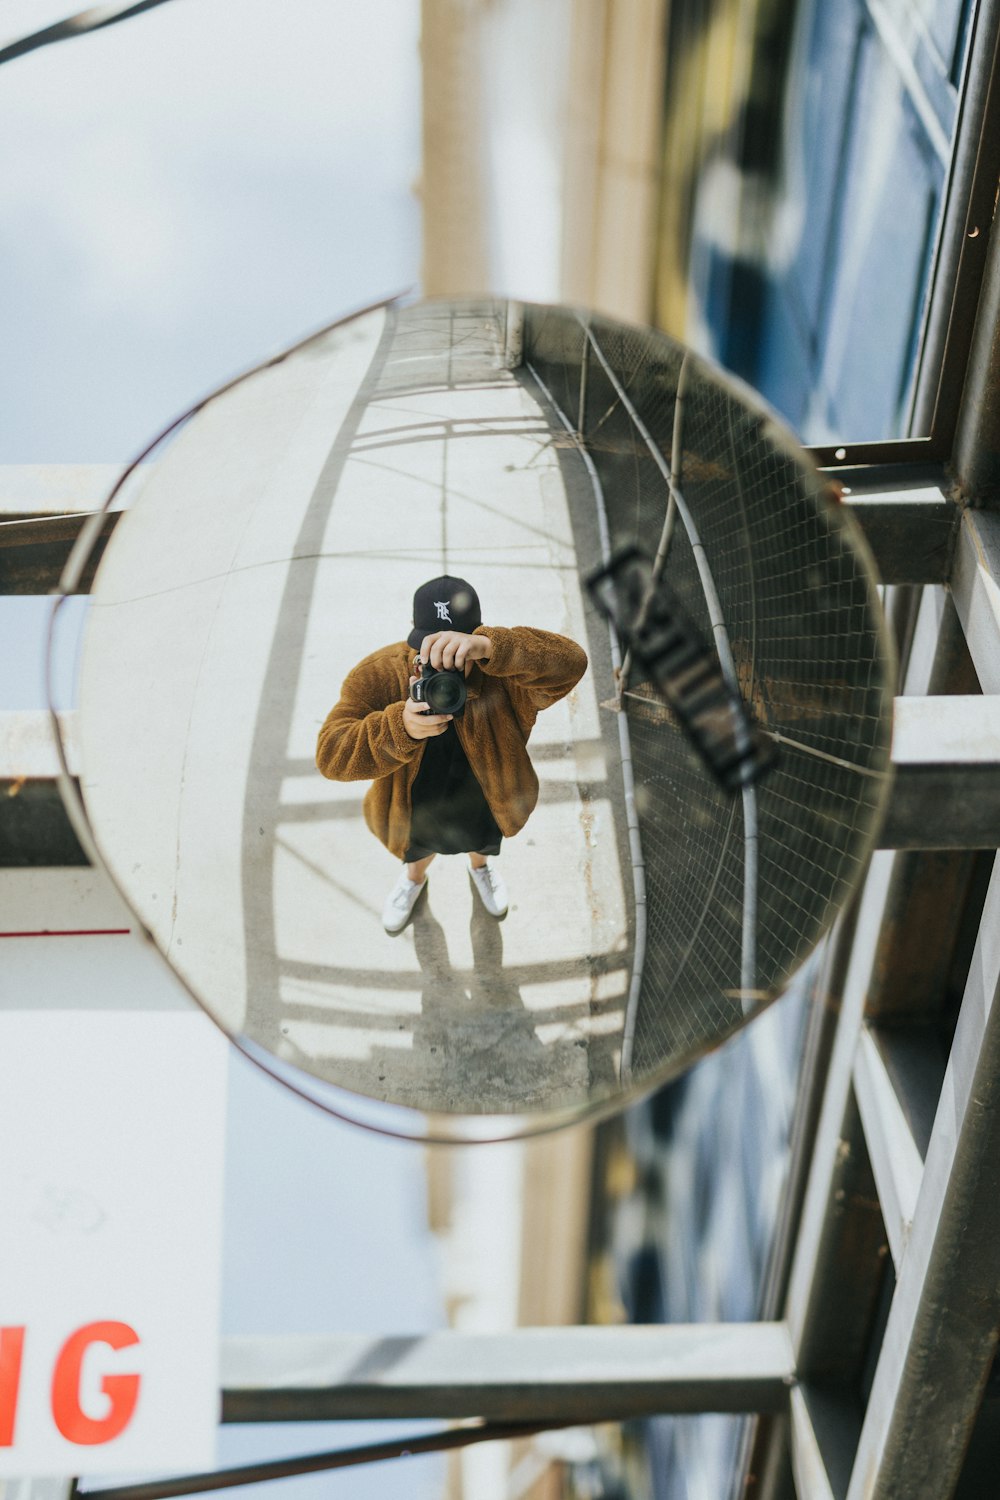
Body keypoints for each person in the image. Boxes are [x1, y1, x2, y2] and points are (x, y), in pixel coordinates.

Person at [316, 575, 588, 933]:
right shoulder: (379, 673)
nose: (442, 667)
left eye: (455, 653)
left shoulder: (504, 677)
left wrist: (495, 648)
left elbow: (572, 662)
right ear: (412, 638)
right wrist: (399, 727)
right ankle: (414, 880)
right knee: (416, 854)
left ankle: (481, 870)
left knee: (483, 844)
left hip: (488, 799)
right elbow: (330, 755)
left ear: (475, 638)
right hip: (412, 810)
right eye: (428, 652)